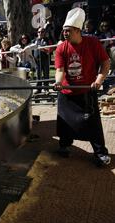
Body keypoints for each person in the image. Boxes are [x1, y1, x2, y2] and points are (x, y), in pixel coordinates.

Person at [54, 7, 111, 166]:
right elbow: (60, 70)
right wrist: (58, 82)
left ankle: (100, 153)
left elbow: (105, 63)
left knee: (92, 124)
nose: (65, 33)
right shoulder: (61, 48)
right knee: (64, 121)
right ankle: (64, 146)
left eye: (69, 30)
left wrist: (99, 80)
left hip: (87, 90)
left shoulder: (92, 43)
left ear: (78, 30)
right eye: (64, 30)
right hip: (66, 91)